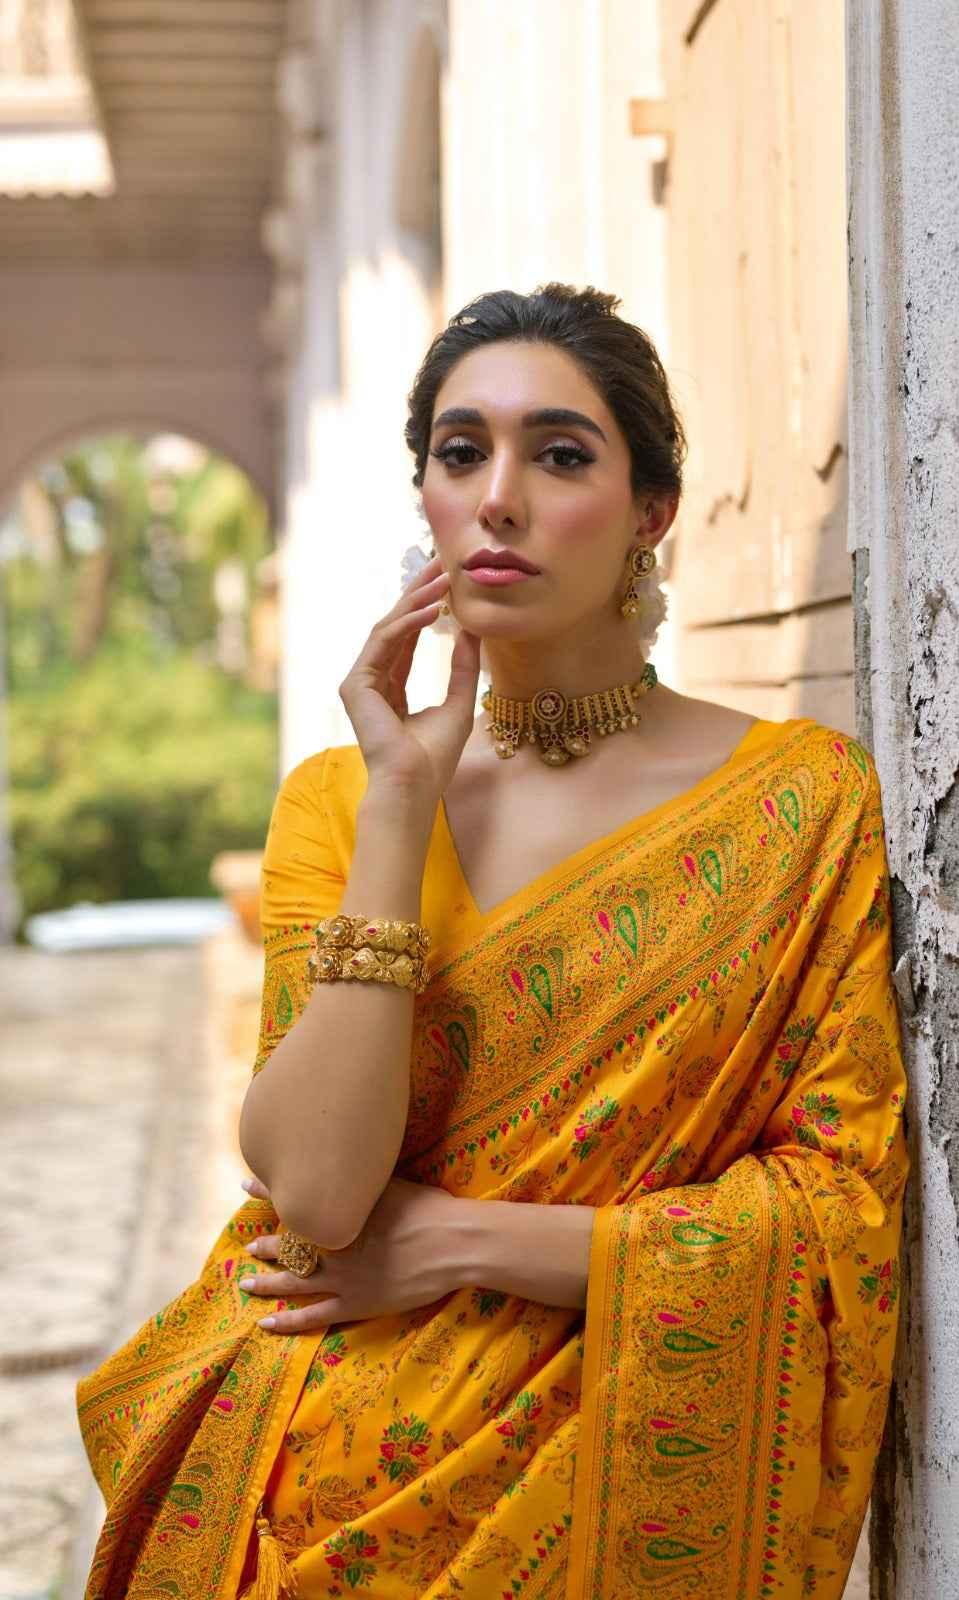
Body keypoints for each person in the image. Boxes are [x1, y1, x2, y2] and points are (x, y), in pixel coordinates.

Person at [77, 283, 909, 1600]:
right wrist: (401, 811)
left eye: (560, 454)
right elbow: (319, 1198)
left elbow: (834, 1213)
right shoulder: (344, 801)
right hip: (314, 1501)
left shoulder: (796, 804)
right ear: (426, 497)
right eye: (460, 453)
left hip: (598, 1496)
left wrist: (466, 1239)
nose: (498, 497)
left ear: (650, 514)